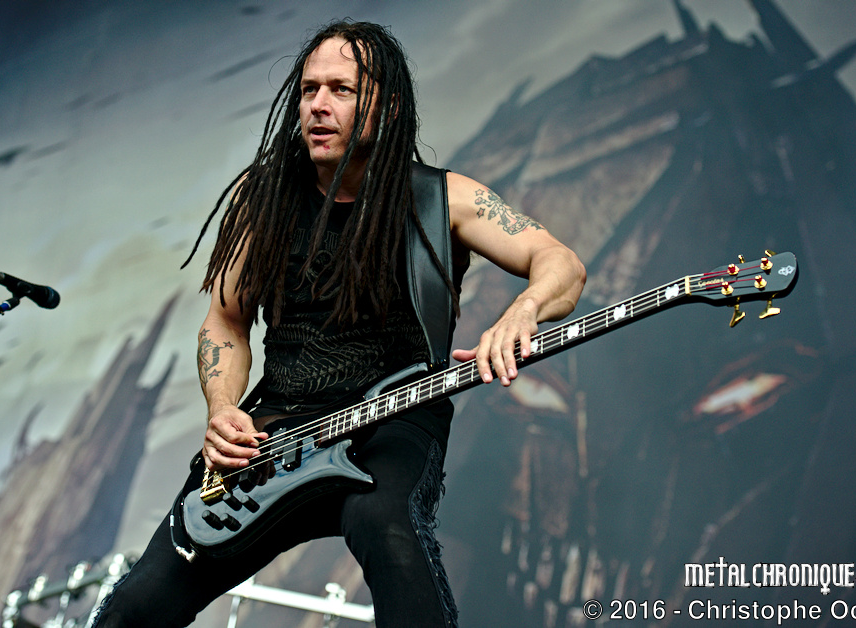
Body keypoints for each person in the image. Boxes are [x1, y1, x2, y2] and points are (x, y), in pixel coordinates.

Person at [93, 20, 585, 627]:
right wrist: (222, 407)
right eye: (309, 89)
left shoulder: (443, 199)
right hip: (277, 430)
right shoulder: (262, 198)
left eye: (341, 90)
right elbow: (225, 322)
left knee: (387, 528)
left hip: (394, 418)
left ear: (388, 107)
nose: (318, 105)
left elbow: (560, 263)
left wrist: (523, 311)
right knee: (134, 605)